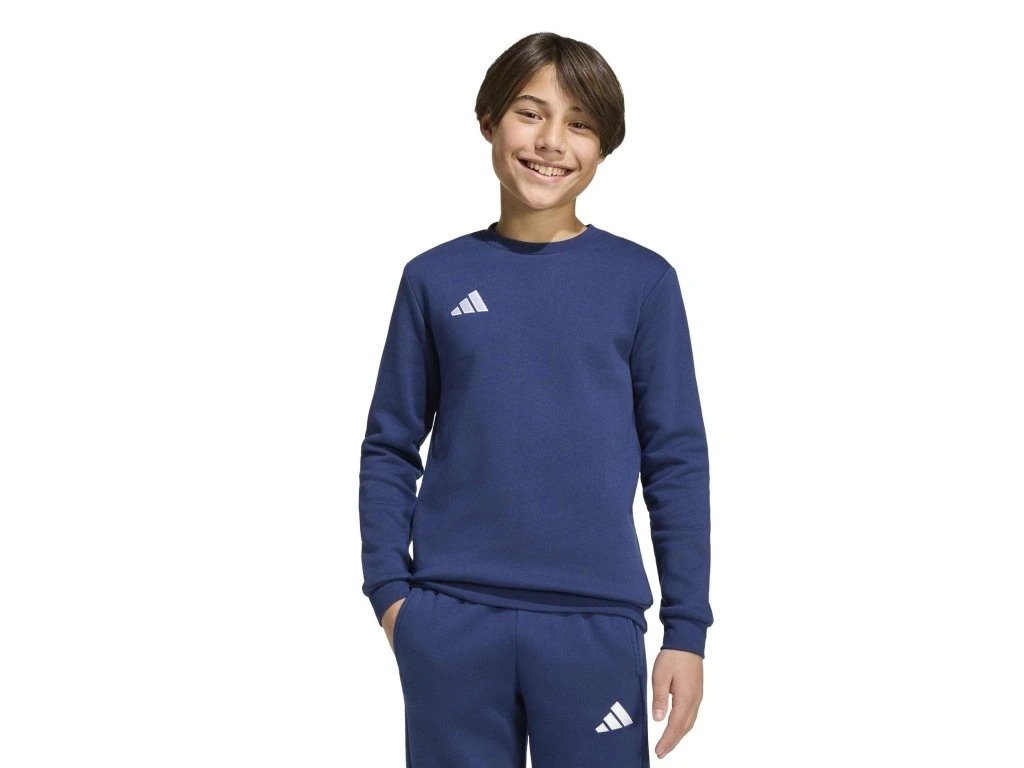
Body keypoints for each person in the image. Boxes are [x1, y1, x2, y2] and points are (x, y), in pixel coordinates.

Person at [359, 31, 713, 767]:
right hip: (451, 622)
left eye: (579, 123)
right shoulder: (434, 278)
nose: (552, 141)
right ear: (489, 120)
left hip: (594, 624)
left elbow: (676, 461)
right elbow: (390, 446)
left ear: (604, 146)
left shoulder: (643, 283)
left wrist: (686, 631)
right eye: (530, 113)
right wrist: (393, 597)